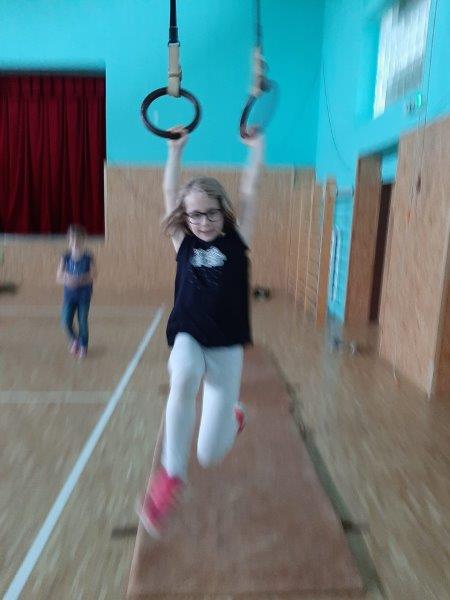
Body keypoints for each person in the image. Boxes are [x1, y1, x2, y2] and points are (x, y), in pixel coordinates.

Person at [138, 128, 264, 537]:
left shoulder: (237, 240)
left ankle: (234, 415)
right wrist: (174, 152)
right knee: (184, 374)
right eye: (195, 214)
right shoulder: (183, 242)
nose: (203, 221)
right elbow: (169, 189)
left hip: (226, 348)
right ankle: (171, 475)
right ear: (185, 216)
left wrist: (257, 149)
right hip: (189, 334)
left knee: (210, 454)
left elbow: (250, 189)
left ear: (223, 211)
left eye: (211, 213)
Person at [56, 224, 96, 359]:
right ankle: (75, 340)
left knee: (82, 321)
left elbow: (93, 274)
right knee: (65, 321)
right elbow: (59, 276)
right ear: (68, 240)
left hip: (84, 295)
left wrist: (81, 279)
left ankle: (83, 345)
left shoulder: (88, 257)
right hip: (69, 296)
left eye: (78, 239)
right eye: (72, 240)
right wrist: (68, 279)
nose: (75, 243)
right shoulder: (65, 257)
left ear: (83, 240)